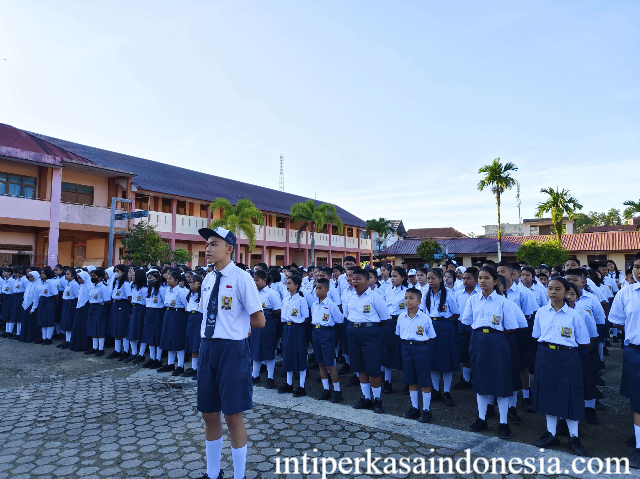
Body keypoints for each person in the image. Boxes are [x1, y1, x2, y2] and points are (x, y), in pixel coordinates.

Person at [196, 226, 265, 479]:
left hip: (232, 350)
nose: (208, 249)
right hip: (208, 347)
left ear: (229, 249)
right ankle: (213, 473)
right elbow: (206, 314)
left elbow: (259, 320)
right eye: (207, 244)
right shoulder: (208, 278)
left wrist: (241, 328)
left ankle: (239, 475)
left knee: (233, 414)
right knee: (208, 413)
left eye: (214, 244)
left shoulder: (241, 278)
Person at [532, 277, 590, 456]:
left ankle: (574, 436)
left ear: (566, 293)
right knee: (548, 393)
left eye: (557, 289)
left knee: (571, 394)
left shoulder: (574, 315)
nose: (553, 292)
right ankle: (551, 433)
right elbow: (537, 334)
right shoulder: (541, 312)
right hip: (546, 355)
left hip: (568, 356)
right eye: (550, 288)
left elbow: (583, 340)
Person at [461, 266, 518, 440]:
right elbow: (468, 321)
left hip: (497, 342)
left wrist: (493, 335)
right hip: (478, 341)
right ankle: (482, 418)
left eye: (486, 278)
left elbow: (511, 326)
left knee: (500, 382)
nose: (482, 281)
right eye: (480, 278)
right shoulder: (473, 300)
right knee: (480, 380)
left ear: (495, 281)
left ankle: (503, 422)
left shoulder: (503, 302)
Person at [609, 252, 640, 467]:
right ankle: (639, 445)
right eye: (637, 266)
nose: (639, 270)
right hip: (635, 351)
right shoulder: (626, 293)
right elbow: (618, 321)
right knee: (638, 399)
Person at [344, 268, 390, 413]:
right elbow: (347, 315)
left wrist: (371, 330)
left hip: (370, 333)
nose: (355, 282)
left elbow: (384, 318)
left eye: (358, 279)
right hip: (353, 332)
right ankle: (366, 398)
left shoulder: (375, 297)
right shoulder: (350, 297)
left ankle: (377, 399)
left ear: (367, 281)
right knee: (360, 367)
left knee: (373, 368)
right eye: (353, 279)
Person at [396, 287, 436, 423]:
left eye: (411, 298)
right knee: (410, 379)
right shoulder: (401, 317)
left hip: (421, 348)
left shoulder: (425, 318)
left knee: (424, 379)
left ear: (419, 301)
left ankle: (426, 410)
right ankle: (414, 407)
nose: (408, 301)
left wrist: (420, 345)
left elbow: (431, 336)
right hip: (406, 347)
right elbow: (399, 333)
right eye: (406, 298)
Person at [423, 268, 460, 407]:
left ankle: (446, 391)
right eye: (429, 279)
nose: (431, 281)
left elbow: (456, 313)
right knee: (433, 361)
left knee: (446, 362)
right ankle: (436, 390)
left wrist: (444, 322)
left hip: (445, 328)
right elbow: (422, 312)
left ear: (440, 279)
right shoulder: (426, 294)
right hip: (430, 326)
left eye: (433, 278)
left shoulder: (448, 294)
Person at [311, 277, 343, 403]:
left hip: (327, 332)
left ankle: (337, 390)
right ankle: (326, 389)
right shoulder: (314, 304)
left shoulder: (331, 305)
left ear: (327, 290)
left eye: (320, 288)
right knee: (320, 363)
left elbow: (339, 320)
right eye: (316, 288)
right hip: (316, 332)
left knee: (330, 364)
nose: (317, 291)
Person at [278, 274, 310, 396]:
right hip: (287, 328)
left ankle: (301, 385)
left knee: (300, 354)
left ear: (296, 285)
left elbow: (305, 317)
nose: (287, 285)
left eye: (290, 283)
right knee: (288, 354)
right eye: (286, 283)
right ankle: (289, 383)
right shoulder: (285, 299)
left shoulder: (301, 300)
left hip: (298, 328)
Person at [250, 270, 281, 388]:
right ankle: (255, 375)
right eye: (254, 280)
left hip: (268, 322)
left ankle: (270, 377)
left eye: (257, 280)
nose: (255, 282)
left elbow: (278, 309)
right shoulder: (253, 293)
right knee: (256, 347)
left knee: (268, 348)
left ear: (264, 280)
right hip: (255, 321)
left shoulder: (271, 293)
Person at [382, 266, 408, 394]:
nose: (392, 278)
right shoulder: (387, 290)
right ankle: (387, 382)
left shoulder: (408, 292)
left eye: (395, 276)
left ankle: (408, 382)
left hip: (403, 322)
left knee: (404, 351)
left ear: (403, 278)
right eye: (391, 275)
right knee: (388, 351)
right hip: (390, 322)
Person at [453, 266, 479, 390]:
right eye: (464, 278)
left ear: (476, 280)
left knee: (477, 352)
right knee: (464, 353)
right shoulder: (458, 294)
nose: (465, 281)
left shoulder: (480, 293)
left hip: (476, 326)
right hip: (463, 325)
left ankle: (477, 377)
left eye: (468, 278)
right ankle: (466, 378)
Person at [107, 264, 132, 360]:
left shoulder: (125, 284)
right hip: (115, 304)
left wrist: (125, 306)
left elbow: (129, 297)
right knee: (115, 327)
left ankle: (126, 351)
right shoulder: (116, 282)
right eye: (115, 271)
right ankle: (117, 350)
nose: (115, 273)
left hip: (122, 305)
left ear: (123, 272)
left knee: (122, 327)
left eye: (117, 271)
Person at [141, 271, 165, 368]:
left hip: (157, 313)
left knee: (157, 335)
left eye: (151, 278)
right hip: (149, 312)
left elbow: (165, 302)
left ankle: (158, 359)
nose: (149, 280)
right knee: (149, 335)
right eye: (148, 278)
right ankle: (152, 358)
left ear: (157, 279)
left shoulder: (161, 289)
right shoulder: (149, 289)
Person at [85, 268, 110, 356]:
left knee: (100, 327)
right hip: (92, 307)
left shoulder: (103, 287)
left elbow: (107, 300)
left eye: (94, 276)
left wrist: (101, 305)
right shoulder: (93, 287)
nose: (92, 277)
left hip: (100, 308)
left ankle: (101, 348)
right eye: (92, 276)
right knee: (92, 327)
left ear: (99, 277)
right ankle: (94, 347)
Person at [125, 269, 148, 363]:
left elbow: (146, 302)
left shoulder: (144, 289)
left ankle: (141, 354)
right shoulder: (133, 286)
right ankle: (133, 353)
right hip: (134, 308)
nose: (132, 277)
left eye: (134, 276)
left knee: (141, 332)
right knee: (132, 332)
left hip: (141, 310)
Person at [58, 268, 79, 350]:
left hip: (71, 304)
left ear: (73, 276)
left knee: (69, 321)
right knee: (65, 321)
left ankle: (70, 340)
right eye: (65, 274)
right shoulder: (68, 284)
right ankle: (66, 340)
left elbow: (77, 297)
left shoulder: (75, 285)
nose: (65, 276)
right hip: (66, 303)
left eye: (67, 274)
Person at [70, 271, 91, 352]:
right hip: (79, 307)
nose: (79, 280)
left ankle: (85, 345)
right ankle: (77, 345)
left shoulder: (89, 287)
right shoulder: (81, 286)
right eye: (78, 278)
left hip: (85, 308)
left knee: (84, 326)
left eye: (80, 278)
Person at [37, 267, 58, 345]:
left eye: (43, 273)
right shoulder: (41, 282)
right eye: (41, 273)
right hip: (42, 300)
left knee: (49, 319)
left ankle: (49, 338)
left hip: (49, 300)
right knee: (43, 319)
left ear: (47, 274)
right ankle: (44, 337)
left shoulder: (51, 283)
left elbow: (55, 294)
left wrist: (55, 303)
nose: (41, 274)